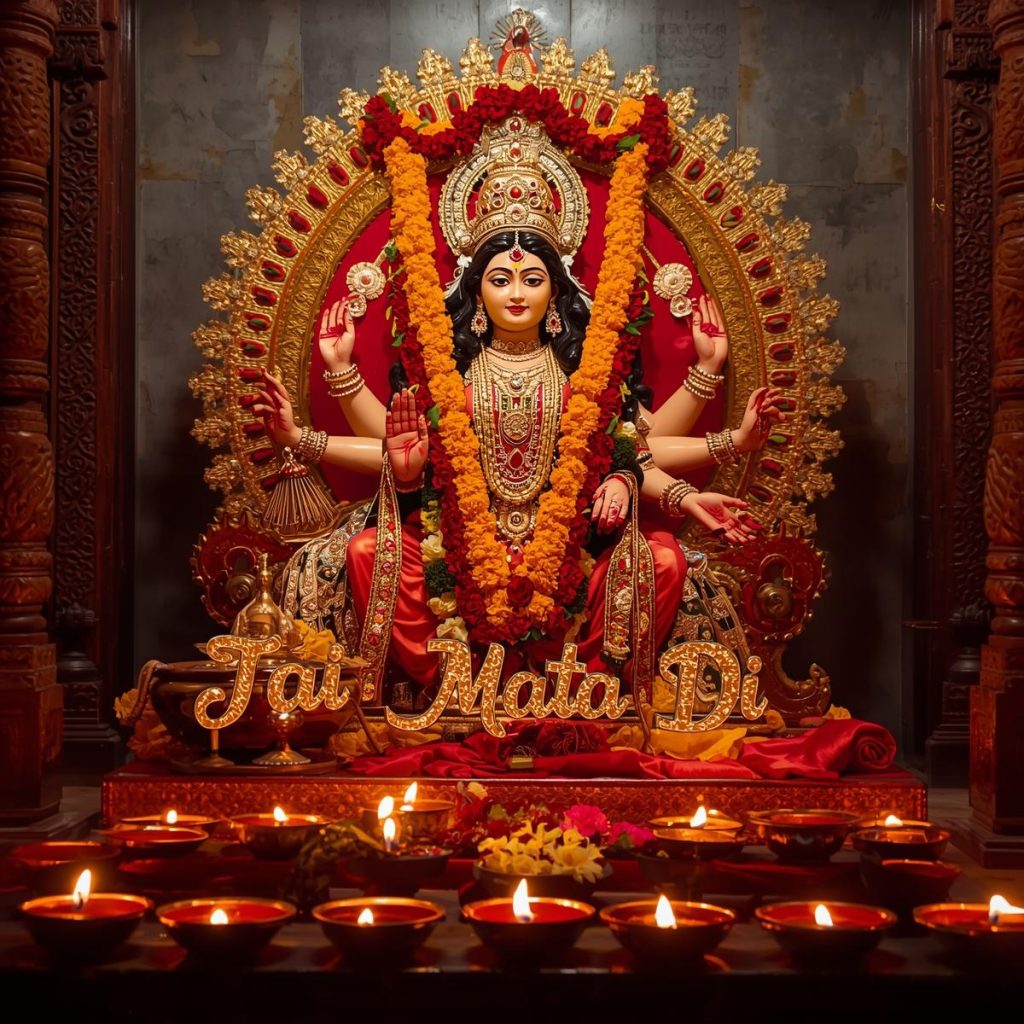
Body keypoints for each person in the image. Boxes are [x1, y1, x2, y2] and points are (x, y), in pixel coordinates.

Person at [252, 123, 782, 710]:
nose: (516, 293)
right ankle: (455, 691)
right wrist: (321, 406)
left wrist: (709, 400)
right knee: (366, 554)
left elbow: (637, 448)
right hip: (455, 560)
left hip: (568, 561)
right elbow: (395, 441)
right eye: (499, 279)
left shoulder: (585, 377)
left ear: (556, 295)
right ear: (474, 292)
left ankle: (575, 688)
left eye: (533, 279)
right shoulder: (448, 375)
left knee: (658, 561)